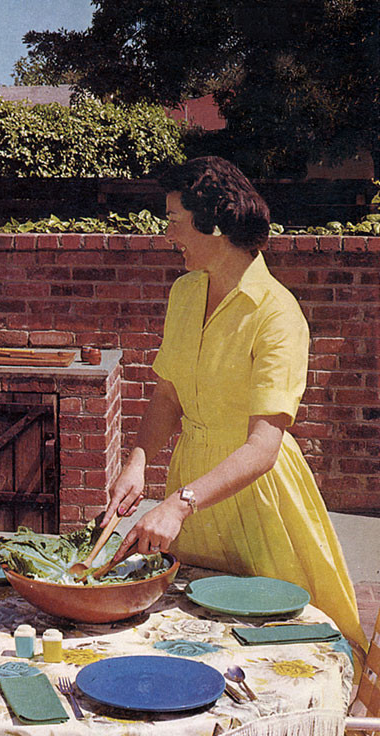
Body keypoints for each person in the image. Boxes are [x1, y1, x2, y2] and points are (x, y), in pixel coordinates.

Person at [104, 156, 367, 656]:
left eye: (175, 221)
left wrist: (179, 504)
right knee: (189, 637)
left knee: (277, 644)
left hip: (255, 496)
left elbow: (263, 448)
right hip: (190, 488)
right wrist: (137, 461)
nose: (166, 234)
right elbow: (168, 394)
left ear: (217, 226)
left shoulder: (278, 314)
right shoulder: (185, 293)